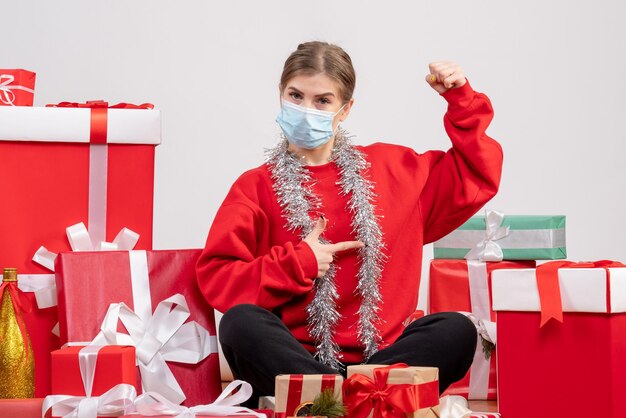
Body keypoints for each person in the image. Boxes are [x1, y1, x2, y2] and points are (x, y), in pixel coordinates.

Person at [196, 41, 503, 402]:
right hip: (296, 360)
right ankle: (356, 401)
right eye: (295, 95)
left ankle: (333, 403)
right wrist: (299, 263)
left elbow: (476, 173)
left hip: (383, 361)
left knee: (455, 330)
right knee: (239, 324)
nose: (305, 109)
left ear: (345, 110)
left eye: (322, 101)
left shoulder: (396, 169)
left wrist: (461, 99)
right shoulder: (255, 186)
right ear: (280, 94)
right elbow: (217, 278)